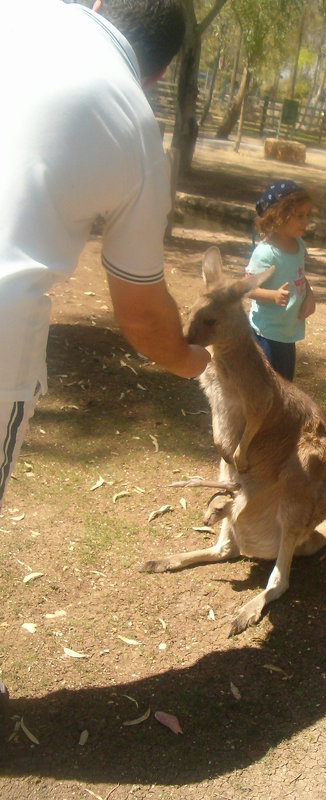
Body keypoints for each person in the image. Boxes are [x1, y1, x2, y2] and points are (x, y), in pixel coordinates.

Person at [0, 0, 211, 510]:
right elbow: (141, 316)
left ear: (96, 3)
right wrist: (194, 361)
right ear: (157, 74)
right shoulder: (135, 128)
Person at [245, 180, 316, 381]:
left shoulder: (299, 246)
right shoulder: (266, 253)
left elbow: (300, 275)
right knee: (264, 385)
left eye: (308, 215)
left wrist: (309, 296)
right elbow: (247, 288)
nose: (306, 222)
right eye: (299, 216)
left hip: (288, 331)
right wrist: (272, 295)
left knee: (285, 385)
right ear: (279, 216)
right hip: (266, 333)